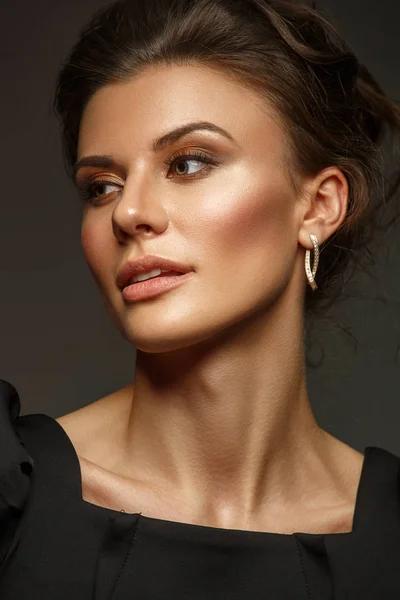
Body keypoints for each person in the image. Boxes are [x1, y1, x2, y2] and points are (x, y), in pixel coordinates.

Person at [1, 0, 400, 597]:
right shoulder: (12, 490)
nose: (129, 212)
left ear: (319, 206)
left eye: (187, 163)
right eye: (102, 186)